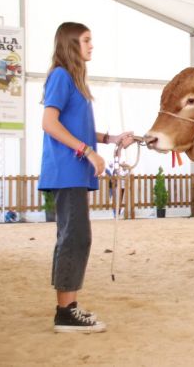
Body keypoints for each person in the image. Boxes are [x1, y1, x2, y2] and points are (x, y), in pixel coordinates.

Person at [38, 22, 134, 333]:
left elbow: (75, 128)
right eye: (86, 40)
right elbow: (49, 123)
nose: (91, 46)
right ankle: (65, 313)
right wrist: (87, 152)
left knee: (74, 237)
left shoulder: (73, 81)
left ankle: (68, 306)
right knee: (75, 238)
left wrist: (110, 139)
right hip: (67, 171)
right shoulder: (61, 76)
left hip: (73, 171)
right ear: (71, 44)